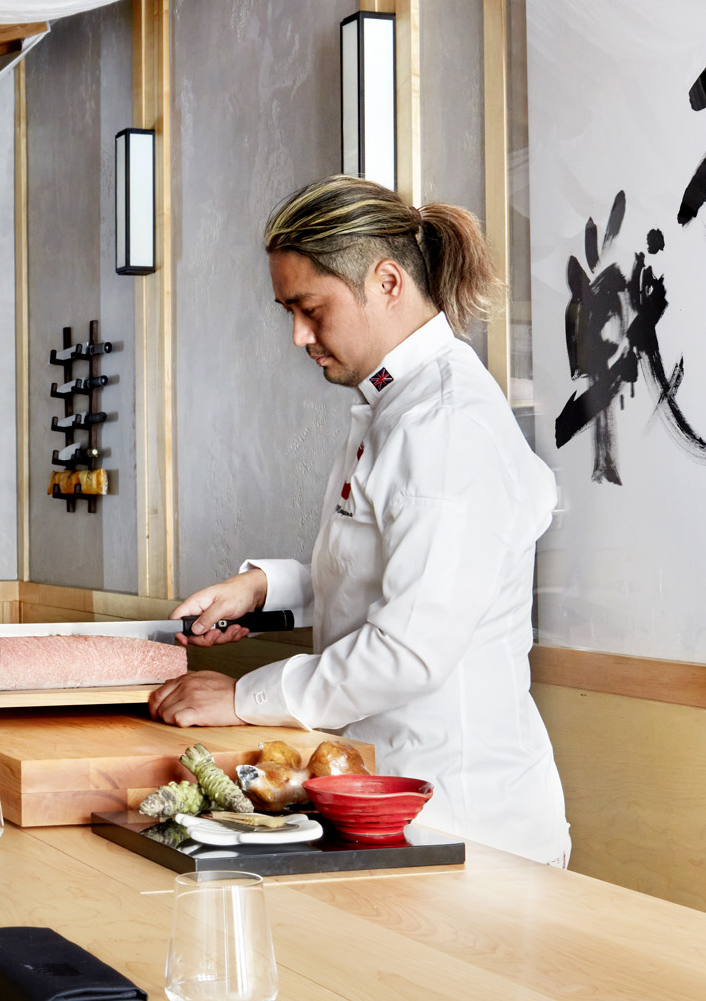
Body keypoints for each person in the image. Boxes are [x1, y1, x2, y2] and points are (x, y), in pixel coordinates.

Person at [150, 175, 568, 864]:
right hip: (387, 797)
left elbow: (410, 649)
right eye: (289, 310)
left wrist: (243, 697)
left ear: (387, 281)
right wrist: (265, 589)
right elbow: (385, 563)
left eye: (310, 308)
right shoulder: (392, 406)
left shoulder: (449, 426)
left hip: (466, 822)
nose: (298, 335)